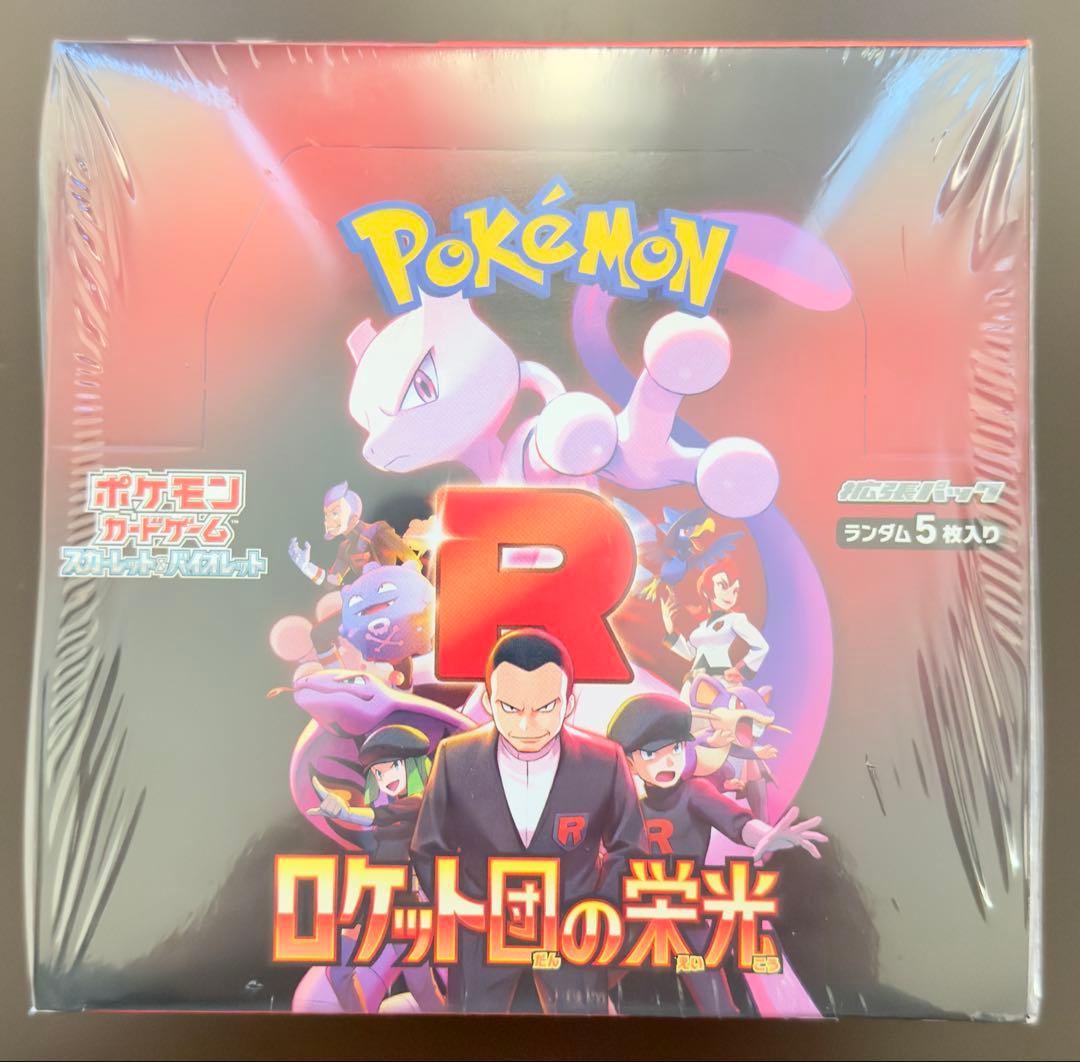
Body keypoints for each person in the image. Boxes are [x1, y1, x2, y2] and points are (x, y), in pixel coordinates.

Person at [410, 628, 646, 1013]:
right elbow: (427, 847)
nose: (526, 726)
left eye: (545, 707)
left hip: (573, 932)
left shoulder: (605, 761)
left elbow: (632, 848)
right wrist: (464, 909)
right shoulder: (454, 757)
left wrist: (597, 912)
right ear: (488, 702)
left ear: (570, 703)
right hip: (481, 933)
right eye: (510, 708)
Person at [606, 692, 826, 1016]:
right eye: (652, 754)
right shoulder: (625, 805)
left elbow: (736, 822)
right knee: (583, 979)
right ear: (630, 762)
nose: (667, 762)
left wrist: (768, 836)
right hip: (634, 907)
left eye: (675, 749)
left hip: (685, 908)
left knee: (718, 1005)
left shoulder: (694, 792)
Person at [660, 556, 768, 693]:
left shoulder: (735, 619)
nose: (730, 595)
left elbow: (761, 646)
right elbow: (690, 654)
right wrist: (670, 630)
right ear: (706, 589)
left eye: (735, 590)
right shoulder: (702, 626)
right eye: (723, 585)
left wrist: (742, 670)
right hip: (693, 682)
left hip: (720, 681)